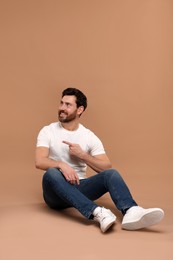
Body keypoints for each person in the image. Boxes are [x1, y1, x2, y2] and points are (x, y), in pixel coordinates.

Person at [35, 87, 164, 233]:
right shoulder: (48, 131)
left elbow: (105, 167)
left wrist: (82, 155)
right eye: (61, 103)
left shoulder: (89, 136)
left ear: (80, 110)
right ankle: (97, 212)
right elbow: (39, 161)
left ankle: (131, 211)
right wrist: (61, 165)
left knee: (111, 174)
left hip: (80, 186)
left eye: (68, 105)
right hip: (55, 194)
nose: (62, 108)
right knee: (51, 173)